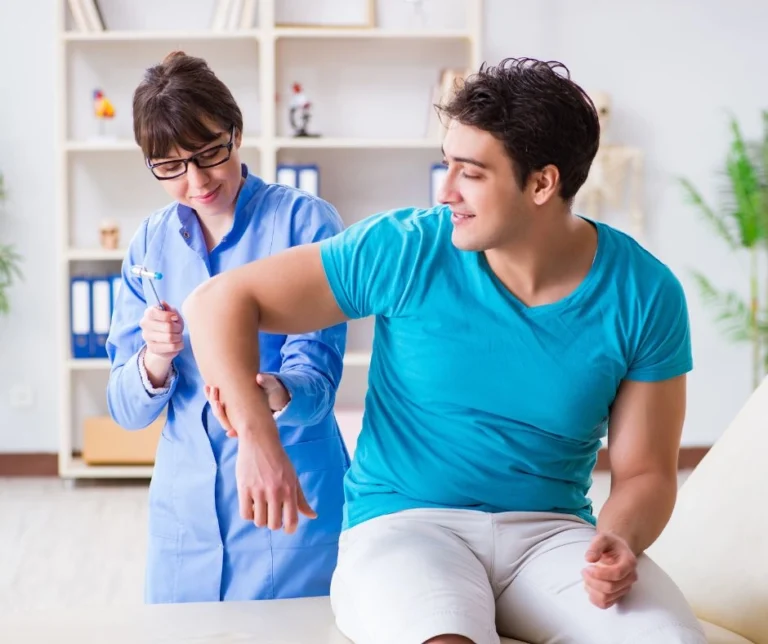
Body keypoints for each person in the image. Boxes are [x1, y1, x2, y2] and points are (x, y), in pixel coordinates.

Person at [182, 57, 706, 643]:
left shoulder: (644, 292)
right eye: (446, 165)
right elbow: (217, 302)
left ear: (542, 183)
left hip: (551, 535)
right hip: (406, 528)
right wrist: (256, 437)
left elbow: (645, 473)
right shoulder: (409, 248)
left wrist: (619, 537)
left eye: (472, 173)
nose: (446, 190)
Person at [105, 51, 349, 604]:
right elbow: (124, 408)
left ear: (235, 133)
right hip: (184, 517)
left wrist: (267, 392)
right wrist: (154, 360)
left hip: (289, 503)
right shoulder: (149, 243)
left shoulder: (306, 223)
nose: (196, 182)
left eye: (209, 153)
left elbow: (319, 381)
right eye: (170, 166)